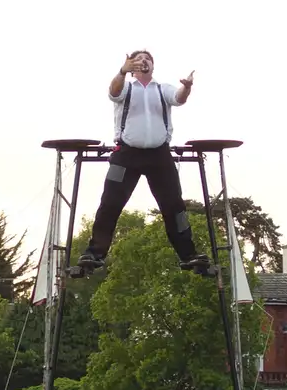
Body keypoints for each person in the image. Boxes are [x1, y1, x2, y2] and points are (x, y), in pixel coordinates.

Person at [72, 51, 214, 278]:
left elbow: (178, 98)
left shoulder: (162, 89)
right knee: (110, 203)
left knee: (174, 206)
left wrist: (187, 87)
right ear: (132, 65)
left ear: (153, 66)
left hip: (159, 156)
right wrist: (122, 70)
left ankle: (189, 255)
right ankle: (94, 253)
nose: (144, 61)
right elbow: (113, 91)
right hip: (126, 155)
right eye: (139, 59)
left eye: (148, 58)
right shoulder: (126, 87)